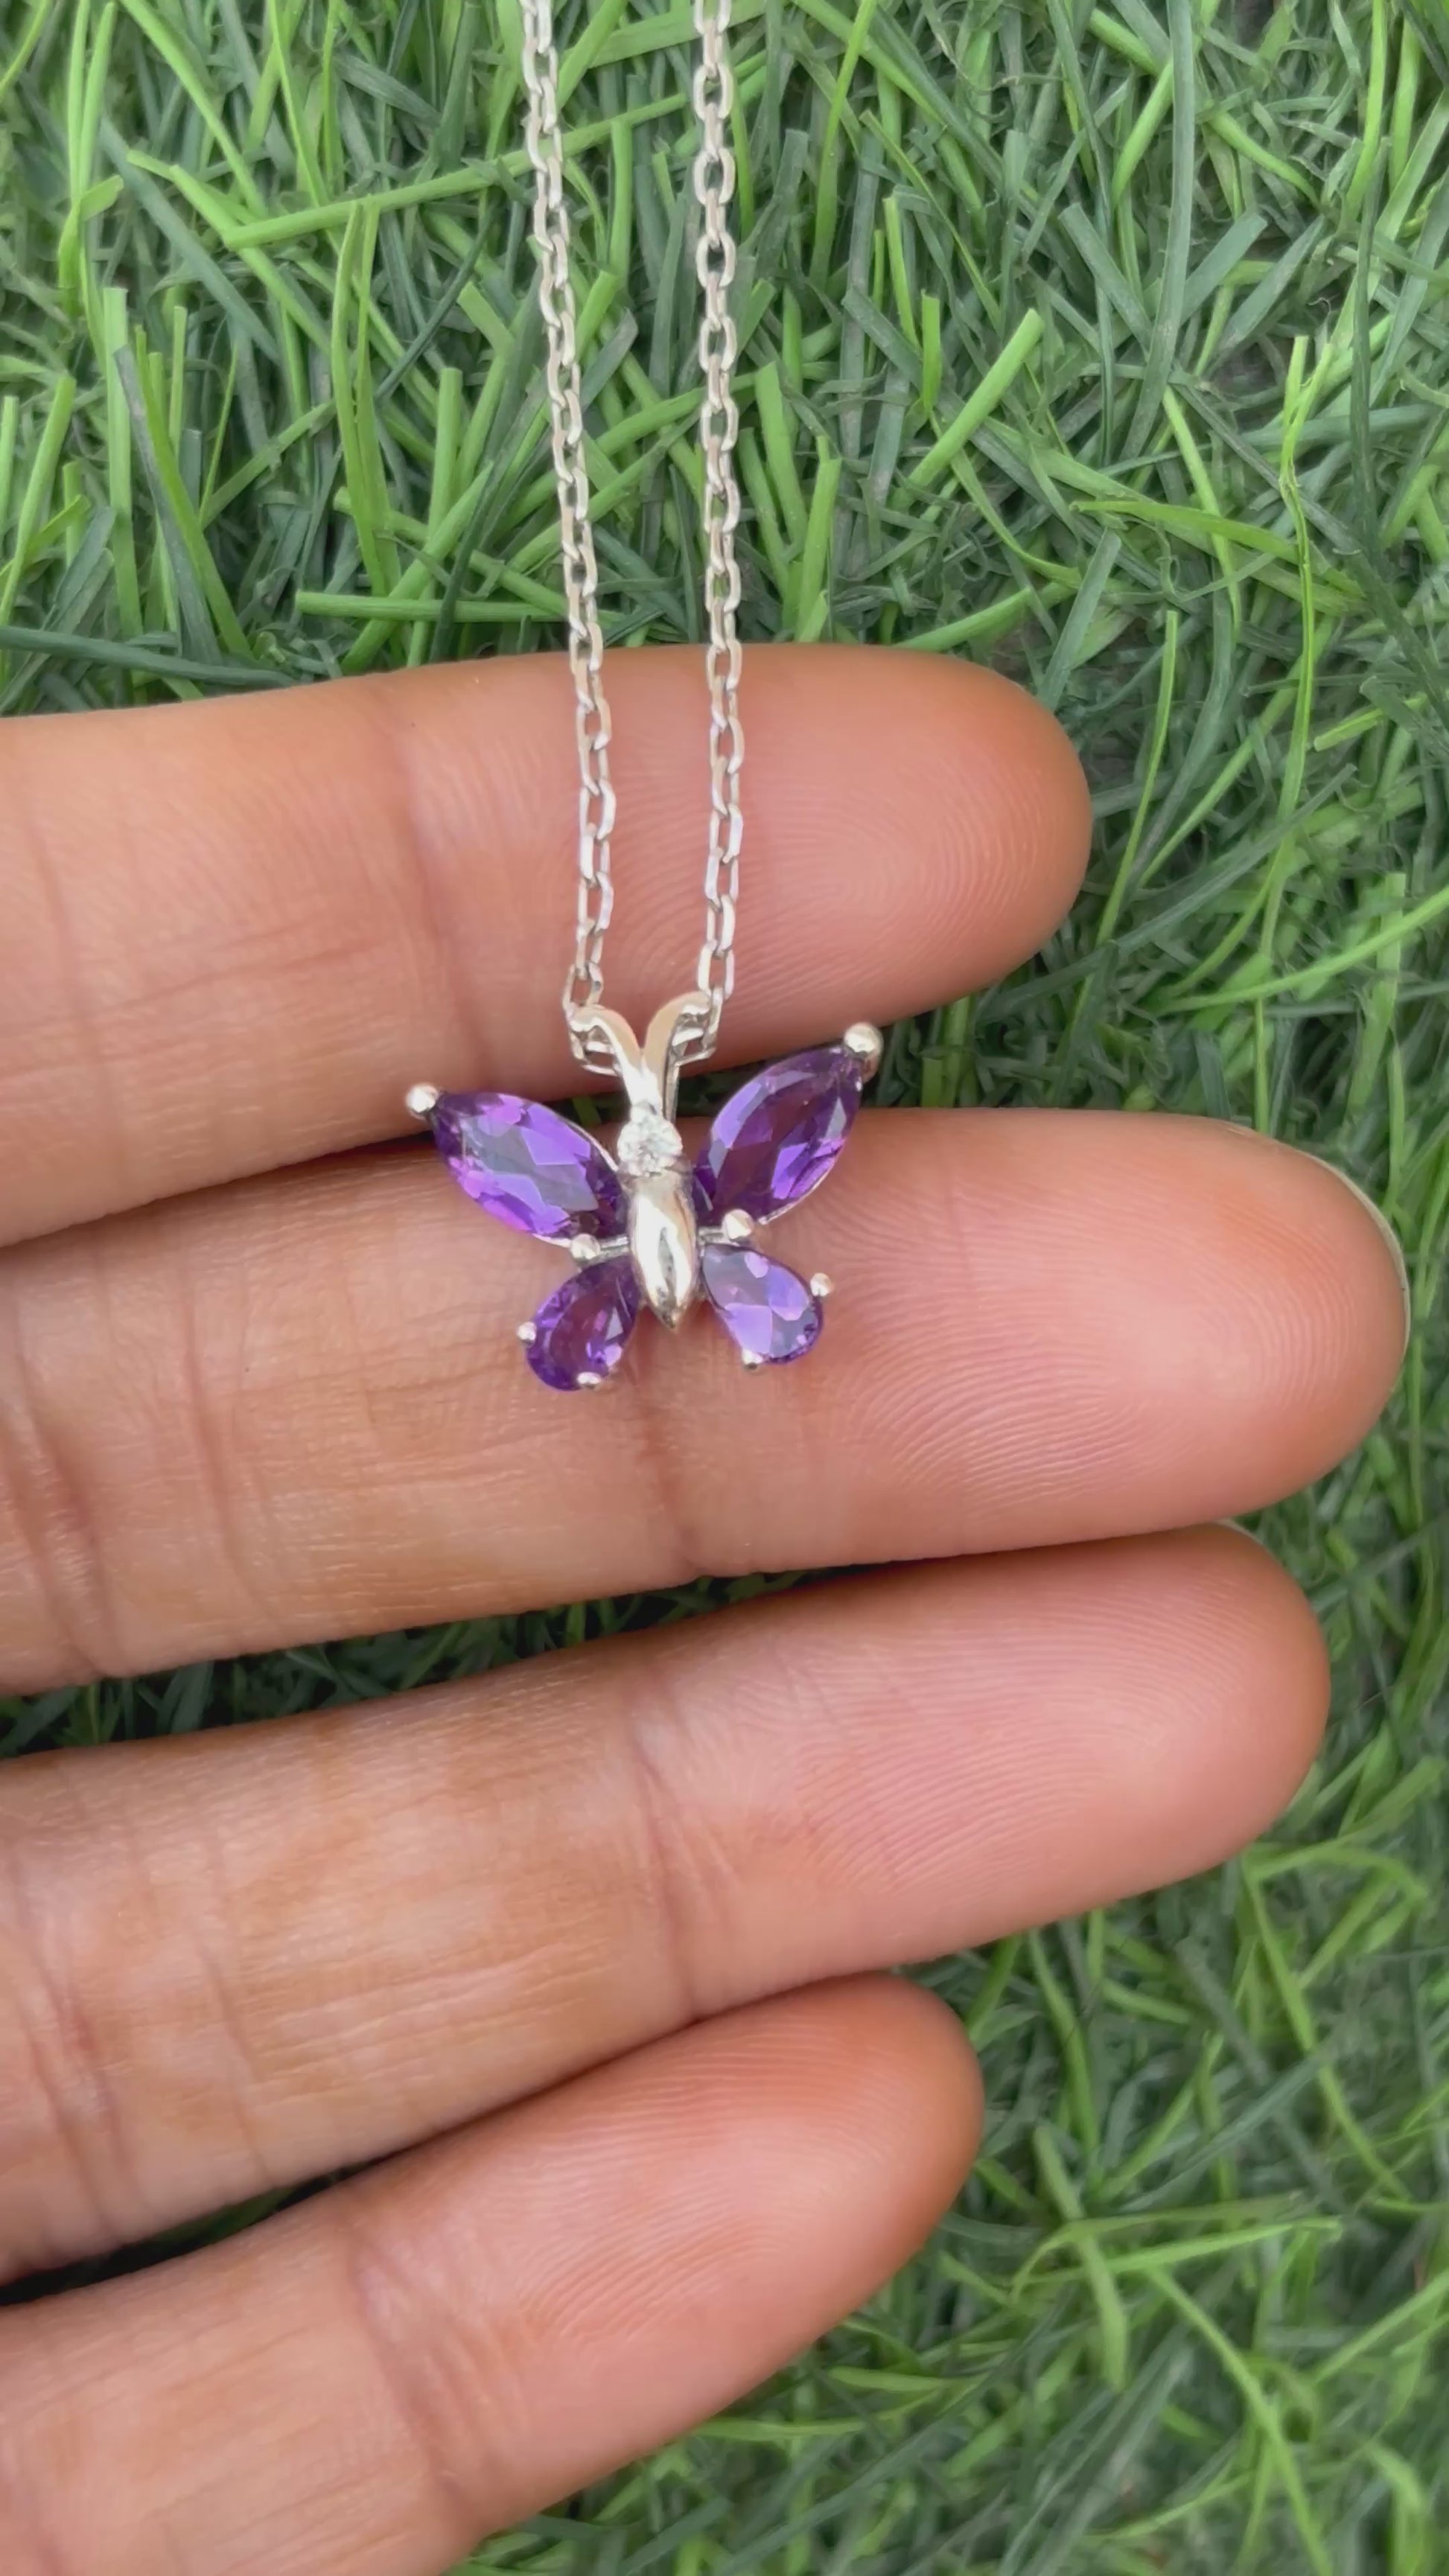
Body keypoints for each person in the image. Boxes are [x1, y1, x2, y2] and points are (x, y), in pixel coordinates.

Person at [0, 644, 1407, 2573]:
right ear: (637, 1147)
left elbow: (772, 1091)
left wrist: (751, 1120)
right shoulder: (603, 1166)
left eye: (662, 1122)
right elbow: (524, 1125)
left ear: (677, 1140)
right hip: (675, 1285)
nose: (655, 1131)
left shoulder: (698, 1151)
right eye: (648, 1127)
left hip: (699, 1280)